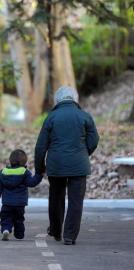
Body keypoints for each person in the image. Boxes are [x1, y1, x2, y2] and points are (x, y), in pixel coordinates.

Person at [35, 86, 99, 245]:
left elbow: (41, 146)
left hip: (56, 165)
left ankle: (56, 231)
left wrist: (39, 168)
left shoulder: (51, 117)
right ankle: (70, 236)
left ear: (57, 100)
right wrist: (84, 153)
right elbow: (94, 140)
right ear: (75, 99)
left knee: (56, 198)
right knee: (76, 201)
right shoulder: (84, 116)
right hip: (79, 165)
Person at [0, 149, 43, 241]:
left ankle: (6, 229)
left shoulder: (3, 172)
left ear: (10, 161)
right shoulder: (24, 172)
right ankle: (19, 234)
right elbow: (32, 183)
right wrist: (39, 175)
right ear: (24, 162)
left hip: (7, 203)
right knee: (19, 219)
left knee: (6, 217)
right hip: (20, 203)